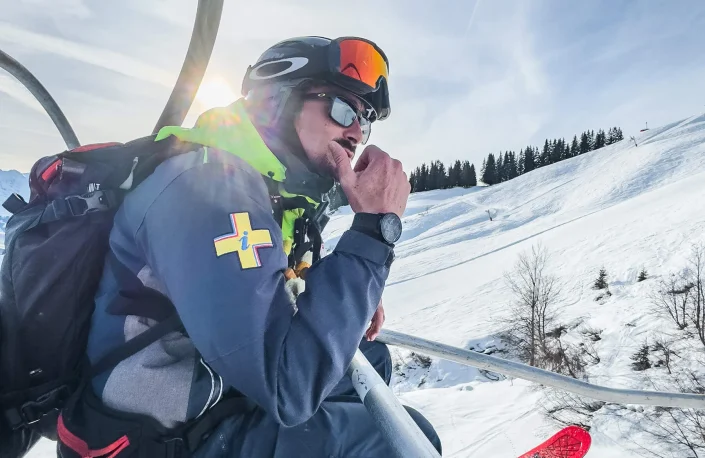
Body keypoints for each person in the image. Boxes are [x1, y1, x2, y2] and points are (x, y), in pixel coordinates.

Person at [57, 36, 442, 457]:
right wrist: (372, 234)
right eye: (342, 109)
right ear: (278, 103)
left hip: (215, 388)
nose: (356, 133)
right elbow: (286, 384)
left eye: (364, 121)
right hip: (153, 436)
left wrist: (351, 296)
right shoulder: (207, 190)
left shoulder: (268, 189)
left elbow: (268, 289)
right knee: (400, 440)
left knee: (371, 361)